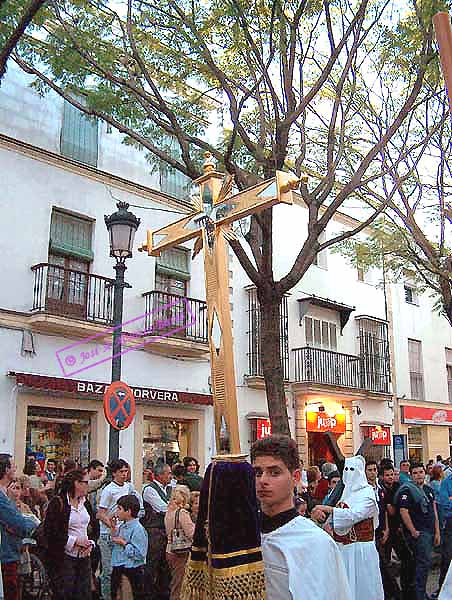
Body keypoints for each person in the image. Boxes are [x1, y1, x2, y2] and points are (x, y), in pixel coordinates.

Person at [251, 435, 351, 600]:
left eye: (274, 473)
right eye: (257, 473)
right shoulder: (245, 536)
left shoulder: (315, 542)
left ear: (295, 477)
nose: (263, 480)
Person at [313, 455, 384, 600]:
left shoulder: (367, 493)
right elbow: (334, 519)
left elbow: (355, 514)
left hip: (361, 550)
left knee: (363, 588)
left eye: (352, 469)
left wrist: (329, 509)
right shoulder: (343, 494)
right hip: (343, 549)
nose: (349, 472)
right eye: (346, 469)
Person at [97, 459, 143, 600]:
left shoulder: (128, 488)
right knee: (108, 571)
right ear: (114, 473)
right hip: (107, 534)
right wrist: (110, 524)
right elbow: (100, 513)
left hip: (123, 533)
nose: (124, 474)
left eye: (126, 471)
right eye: (121, 472)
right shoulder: (108, 490)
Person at [396, 462, 440, 600]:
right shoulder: (407, 490)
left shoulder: (428, 489)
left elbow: (434, 511)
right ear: (411, 475)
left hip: (430, 531)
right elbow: (403, 511)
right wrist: (413, 531)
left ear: (425, 473)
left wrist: (437, 531)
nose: (418, 475)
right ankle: (419, 596)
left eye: (421, 472)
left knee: (424, 565)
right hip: (419, 534)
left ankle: (421, 594)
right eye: (415, 473)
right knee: (422, 565)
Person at [0, 455, 37, 600]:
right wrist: (32, 524)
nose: (15, 468)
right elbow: (18, 522)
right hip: (6, 552)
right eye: (13, 465)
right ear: (6, 469)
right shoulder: (1, 496)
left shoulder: (5, 492)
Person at [142, 463, 172, 600]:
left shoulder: (171, 488)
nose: (171, 476)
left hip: (167, 530)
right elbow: (162, 508)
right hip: (154, 530)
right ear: (160, 475)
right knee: (152, 563)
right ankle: (148, 594)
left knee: (165, 565)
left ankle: (163, 594)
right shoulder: (149, 490)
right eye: (168, 473)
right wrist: (174, 506)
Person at [111, 495, 148, 600]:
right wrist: (113, 527)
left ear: (128, 511)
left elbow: (140, 554)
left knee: (129, 595)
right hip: (118, 566)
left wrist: (124, 544)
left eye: (119, 509)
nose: (117, 512)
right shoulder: (122, 526)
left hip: (131, 569)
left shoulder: (138, 529)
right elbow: (113, 541)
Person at [164, 485, 195, 600]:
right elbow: (191, 533)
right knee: (180, 584)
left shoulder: (168, 512)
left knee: (175, 581)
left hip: (169, 549)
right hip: (181, 551)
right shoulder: (182, 513)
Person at [439, 464, 452, 593]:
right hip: (450, 523)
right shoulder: (446, 483)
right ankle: (442, 589)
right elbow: (445, 503)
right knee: (447, 558)